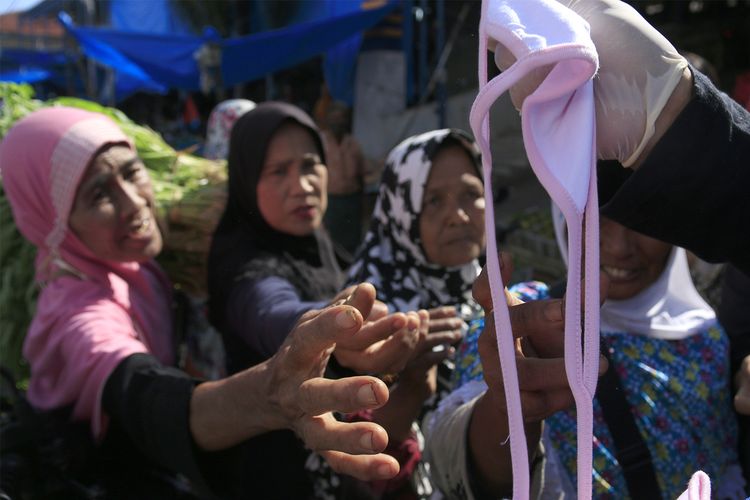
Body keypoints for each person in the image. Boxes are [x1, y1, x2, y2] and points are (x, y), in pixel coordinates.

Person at [0, 107, 401, 498]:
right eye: (97, 195)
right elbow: (145, 393)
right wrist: (268, 394)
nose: (133, 203)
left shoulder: (133, 267)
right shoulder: (79, 315)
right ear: (52, 219)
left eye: (131, 172)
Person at [425, 213, 746, 498]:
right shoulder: (519, 318)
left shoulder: (704, 338)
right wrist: (509, 411)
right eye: (595, 213)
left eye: (647, 217)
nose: (620, 246)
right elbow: (466, 471)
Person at [319, 101, 370, 256]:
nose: (337, 123)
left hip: (352, 200)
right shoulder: (321, 142)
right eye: (334, 119)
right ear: (328, 121)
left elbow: (362, 173)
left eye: (341, 119)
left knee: (353, 240)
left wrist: (362, 200)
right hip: (331, 201)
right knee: (332, 242)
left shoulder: (353, 143)